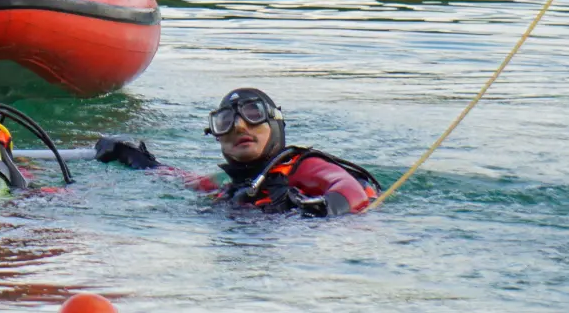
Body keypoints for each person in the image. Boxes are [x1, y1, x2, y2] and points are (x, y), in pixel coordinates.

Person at [95, 88, 381, 217]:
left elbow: (349, 189)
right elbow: (180, 181)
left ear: (274, 123)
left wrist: (319, 209)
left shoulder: (301, 166)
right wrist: (131, 156)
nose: (240, 126)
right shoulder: (230, 184)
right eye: (225, 122)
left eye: (252, 114)